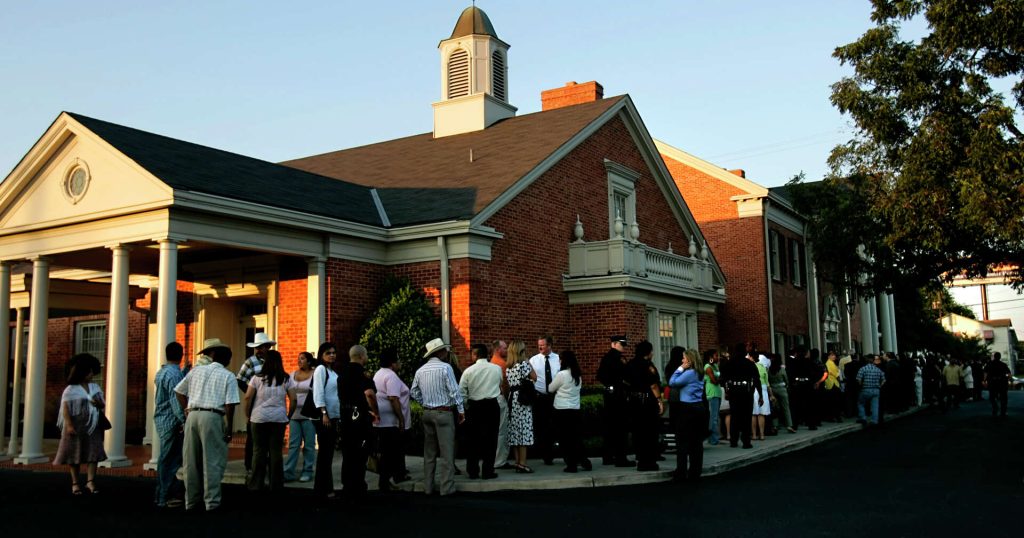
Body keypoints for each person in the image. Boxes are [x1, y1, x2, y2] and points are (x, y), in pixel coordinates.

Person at [174, 338, 239, 512]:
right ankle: (211, 502)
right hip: (212, 416)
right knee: (212, 460)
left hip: (193, 415)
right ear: (226, 360)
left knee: (191, 461)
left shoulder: (196, 371)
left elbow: (179, 391)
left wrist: (187, 409)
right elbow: (230, 404)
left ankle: (191, 501)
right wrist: (229, 427)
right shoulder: (228, 375)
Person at [411, 338, 465, 496]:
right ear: (440, 352)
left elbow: (413, 391)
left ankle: (428, 486)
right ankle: (446, 488)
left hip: (427, 412)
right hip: (444, 412)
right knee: (447, 452)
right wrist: (461, 410)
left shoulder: (420, 371)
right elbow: (455, 391)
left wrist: (424, 403)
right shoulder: (445, 367)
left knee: (429, 452)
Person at [54, 353, 107, 496]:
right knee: (74, 454)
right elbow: (65, 409)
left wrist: (98, 403)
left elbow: (102, 403)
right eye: (89, 371)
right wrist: (69, 425)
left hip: (92, 425)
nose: (91, 374)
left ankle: (91, 481)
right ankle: (75, 483)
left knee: (93, 452)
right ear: (82, 372)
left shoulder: (94, 387)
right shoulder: (70, 390)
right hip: (75, 426)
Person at [243, 350, 296, 493]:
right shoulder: (286, 379)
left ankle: (256, 484)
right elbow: (294, 399)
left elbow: (248, 397)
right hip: (278, 418)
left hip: (258, 417)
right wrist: (288, 416)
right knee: (276, 452)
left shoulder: (257, 378)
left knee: (258, 451)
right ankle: (276, 485)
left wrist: (247, 415)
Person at [338, 345, 379, 498]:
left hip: (345, 416)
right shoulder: (362, 374)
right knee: (360, 452)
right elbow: (369, 394)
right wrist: (376, 412)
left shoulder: (341, 373)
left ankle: (347, 485)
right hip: (359, 417)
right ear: (362, 356)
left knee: (347, 453)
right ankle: (358, 485)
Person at [459, 343, 503, 480]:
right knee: (491, 439)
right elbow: (500, 384)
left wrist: (466, 406)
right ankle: (488, 471)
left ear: (475, 355)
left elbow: (462, 392)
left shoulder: (468, 371)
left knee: (473, 440)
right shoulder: (496, 369)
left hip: (475, 407)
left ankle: (473, 471)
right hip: (491, 405)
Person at [373, 348, 411, 491]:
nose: (400, 362)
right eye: (398, 359)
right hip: (390, 420)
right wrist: (401, 419)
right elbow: (393, 398)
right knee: (390, 452)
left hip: (382, 420)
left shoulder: (379, 374)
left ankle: (395, 475)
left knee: (389, 451)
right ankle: (385, 481)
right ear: (392, 363)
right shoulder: (391, 376)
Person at [237, 331, 274, 476]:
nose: (258, 350)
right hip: (255, 403)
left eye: (261, 347)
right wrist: (250, 393)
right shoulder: (250, 361)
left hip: (271, 401)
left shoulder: (274, 361)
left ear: (267, 347)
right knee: (253, 435)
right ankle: (250, 464)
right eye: (257, 347)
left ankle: (267, 464)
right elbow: (240, 379)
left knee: (269, 435)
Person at [153, 342, 186, 507]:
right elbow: (176, 400)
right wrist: (183, 420)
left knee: (165, 459)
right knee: (170, 460)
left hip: (161, 418)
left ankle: (161, 494)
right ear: (181, 354)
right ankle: (163, 497)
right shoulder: (174, 375)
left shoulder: (162, 371)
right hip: (171, 420)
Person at [624, 341, 664, 471]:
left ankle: (640, 459)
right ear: (648, 353)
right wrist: (659, 400)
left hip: (634, 400)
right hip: (647, 401)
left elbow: (625, 381)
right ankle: (649, 462)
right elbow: (653, 385)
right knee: (650, 431)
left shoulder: (630, 364)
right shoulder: (648, 366)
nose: (652, 353)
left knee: (638, 431)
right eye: (651, 351)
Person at [548, 349, 590, 473]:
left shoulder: (562, 375)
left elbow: (550, 388)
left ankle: (571, 464)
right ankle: (583, 460)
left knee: (565, 439)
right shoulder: (577, 375)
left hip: (562, 410)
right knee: (575, 438)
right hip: (575, 409)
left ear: (564, 361)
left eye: (560, 359)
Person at [668, 349, 707, 482]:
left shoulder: (689, 373)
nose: (682, 361)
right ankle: (695, 472)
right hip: (699, 407)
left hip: (687, 408)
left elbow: (672, 383)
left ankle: (681, 471)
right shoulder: (700, 373)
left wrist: (680, 369)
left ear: (689, 361)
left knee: (682, 441)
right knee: (696, 441)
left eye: (684, 359)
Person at [312, 342, 341, 499]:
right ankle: (323, 489)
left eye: (333, 352)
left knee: (328, 454)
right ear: (321, 355)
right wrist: (324, 413)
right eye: (328, 353)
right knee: (325, 454)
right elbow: (318, 393)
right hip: (325, 418)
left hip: (334, 417)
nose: (332, 355)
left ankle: (325, 487)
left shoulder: (332, 371)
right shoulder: (320, 370)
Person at [597, 335, 632, 466]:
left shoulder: (607, 358)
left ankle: (607, 456)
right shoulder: (617, 358)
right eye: (622, 345)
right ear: (614, 344)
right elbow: (626, 375)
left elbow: (600, 376)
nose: (623, 347)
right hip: (619, 396)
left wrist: (609, 386)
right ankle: (620, 458)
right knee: (620, 428)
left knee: (609, 427)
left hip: (610, 395)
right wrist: (618, 384)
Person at [506, 340, 537, 474]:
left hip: (512, 399)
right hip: (522, 399)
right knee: (524, 430)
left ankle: (517, 462)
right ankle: (523, 463)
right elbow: (534, 377)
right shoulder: (524, 365)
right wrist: (528, 361)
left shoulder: (509, 367)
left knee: (514, 431)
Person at [722, 343, 762, 448]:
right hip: (746, 392)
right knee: (746, 417)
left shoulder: (729, 363)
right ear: (744, 351)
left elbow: (723, 378)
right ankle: (746, 441)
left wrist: (727, 390)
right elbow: (757, 379)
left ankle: (733, 441)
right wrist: (760, 394)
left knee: (734, 416)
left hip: (734, 392)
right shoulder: (749, 363)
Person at [284, 351, 315, 483]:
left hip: (309, 415)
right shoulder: (292, 375)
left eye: (302, 359)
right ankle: (288, 472)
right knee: (293, 445)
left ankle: (307, 471)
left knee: (308, 445)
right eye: (298, 359)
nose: (299, 361)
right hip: (294, 414)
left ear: (309, 361)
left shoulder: (315, 374)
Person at [529, 335, 560, 465]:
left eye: (543, 344)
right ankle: (545, 454)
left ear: (550, 345)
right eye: (539, 345)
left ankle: (555, 449)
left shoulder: (557, 359)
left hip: (555, 397)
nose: (540, 347)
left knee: (554, 425)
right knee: (541, 426)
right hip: (540, 397)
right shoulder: (534, 360)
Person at [489, 339, 512, 470]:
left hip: (490, 399)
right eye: (504, 348)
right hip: (500, 398)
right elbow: (505, 386)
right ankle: (500, 461)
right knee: (502, 431)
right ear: (498, 349)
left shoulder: (491, 363)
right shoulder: (502, 364)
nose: (507, 350)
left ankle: (493, 459)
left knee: (493, 431)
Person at [855, 354, 886, 427]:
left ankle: (863, 417)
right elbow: (884, 380)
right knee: (875, 406)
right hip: (876, 389)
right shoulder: (878, 369)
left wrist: (861, 385)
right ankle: (874, 420)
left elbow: (858, 379)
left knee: (860, 403)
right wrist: (879, 385)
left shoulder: (863, 369)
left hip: (865, 389)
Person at [767, 354, 795, 433]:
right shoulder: (782, 369)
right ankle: (789, 425)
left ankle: (775, 426)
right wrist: (787, 386)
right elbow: (786, 379)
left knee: (775, 408)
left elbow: (768, 380)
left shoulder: (769, 370)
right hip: (782, 389)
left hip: (773, 389)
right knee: (786, 408)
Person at [703, 349, 723, 445]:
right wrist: (721, 378)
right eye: (716, 355)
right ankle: (713, 439)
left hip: (717, 393)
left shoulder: (715, 366)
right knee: (713, 417)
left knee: (716, 417)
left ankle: (715, 438)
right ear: (710, 357)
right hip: (712, 393)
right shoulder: (707, 367)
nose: (717, 357)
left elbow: (718, 378)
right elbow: (714, 381)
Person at [750, 351, 771, 440]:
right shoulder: (763, 368)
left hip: (753, 389)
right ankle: (762, 434)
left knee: (754, 413)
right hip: (763, 390)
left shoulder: (750, 367)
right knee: (762, 413)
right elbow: (767, 382)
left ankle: (754, 435)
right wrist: (771, 394)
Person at [983, 352, 1011, 417]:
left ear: (994, 357)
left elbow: (985, 373)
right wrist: (1009, 380)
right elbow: (1009, 374)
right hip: (1002, 383)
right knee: (1003, 398)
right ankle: (1003, 412)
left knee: (992, 397)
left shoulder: (989, 364)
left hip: (992, 382)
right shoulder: (1003, 364)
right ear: (1000, 357)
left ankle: (995, 408)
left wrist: (984, 381)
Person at [822, 351, 843, 422]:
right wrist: (839, 381)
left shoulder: (829, 363)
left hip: (830, 384)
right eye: (832, 355)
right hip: (833, 384)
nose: (834, 356)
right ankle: (837, 417)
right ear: (828, 356)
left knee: (831, 402)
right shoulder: (830, 363)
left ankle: (832, 417)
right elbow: (836, 375)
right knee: (836, 401)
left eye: (834, 355)